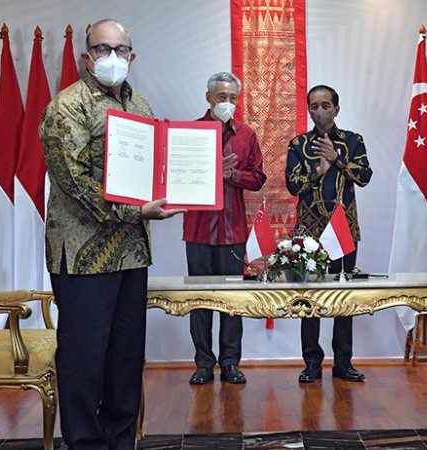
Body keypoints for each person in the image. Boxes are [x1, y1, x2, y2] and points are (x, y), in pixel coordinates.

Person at [40, 19, 185, 450]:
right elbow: (75, 182)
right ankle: (85, 445)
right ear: (87, 56)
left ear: (132, 56)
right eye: (102, 49)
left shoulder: (139, 104)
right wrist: (137, 210)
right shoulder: (66, 106)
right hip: (82, 254)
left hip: (131, 254)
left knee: (124, 361)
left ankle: (122, 442)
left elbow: (155, 165)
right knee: (84, 362)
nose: (112, 58)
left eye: (120, 49)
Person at [285, 85, 373, 383]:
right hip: (309, 235)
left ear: (336, 109)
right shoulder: (298, 143)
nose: (319, 110)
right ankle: (311, 362)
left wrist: (336, 160)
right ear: (308, 109)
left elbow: (365, 176)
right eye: (314, 105)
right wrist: (317, 171)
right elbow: (292, 185)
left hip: (343, 231)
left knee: (342, 298)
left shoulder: (352, 141)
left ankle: (343, 363)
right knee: (308, 300)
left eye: (325, 105)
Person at [184, 72, 266, 385]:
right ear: (208, 98)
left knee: (233, 300)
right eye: (222, 97)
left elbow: (258, 178)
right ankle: (204, 364)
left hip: (233, 233)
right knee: (200, 300)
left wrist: (232, 175)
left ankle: (230, 363)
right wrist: (209, 172)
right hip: (198, 232)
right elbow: (178, 175)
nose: (227, 103)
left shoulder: (247, 134)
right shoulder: (190, 132)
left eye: (233, 97)